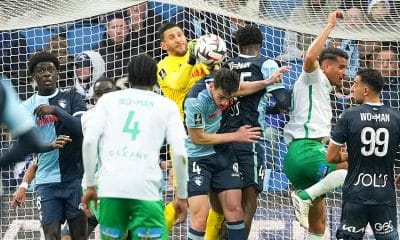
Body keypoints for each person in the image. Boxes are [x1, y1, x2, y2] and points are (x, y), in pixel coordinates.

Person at [82, 54, 188, 239]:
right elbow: (179, 152)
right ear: (155, 77)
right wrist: (182, 194)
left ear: (128, 78)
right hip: (146, 189)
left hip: (110, 188)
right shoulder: (167, 105)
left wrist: (90, 184)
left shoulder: (107, 101)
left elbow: (89, 141)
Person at [185, 64, 288, 240]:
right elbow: (198, 138)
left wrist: (268, 81)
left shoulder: (224, 86)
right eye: (221, 97)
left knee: (235, 211)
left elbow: (243, 88)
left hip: (223, 154)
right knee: (200, 219)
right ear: (212, 87)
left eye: (229, 98)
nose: (225, 103)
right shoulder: (196, 100)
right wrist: (236, 135)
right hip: (199, 157)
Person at [213, 24, 291, 238]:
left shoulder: (225, 64)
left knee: (227, 205)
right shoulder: (266, 63)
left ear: (237, 44)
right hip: (250, 139)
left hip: (223, 138)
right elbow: (283, 101)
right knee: (248, 202)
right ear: (261, 43)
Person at [283, 10, 349, 240]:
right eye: (341, 67)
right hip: (307, 149)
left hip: (301, 154)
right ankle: (304, 196)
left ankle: (308, 195)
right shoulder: (315, 77)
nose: (344, 73)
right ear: (326, 66)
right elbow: (310, 59)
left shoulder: (322, 88)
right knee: (354, 166)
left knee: (318, 224)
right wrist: (330, 26)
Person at [7, 51, 87, 240]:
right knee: (51, 236)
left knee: (80, 237)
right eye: (41, 70)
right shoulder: (26, 108)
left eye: (51, 70)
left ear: (57, 74)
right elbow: (25, 146)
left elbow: (80, 128)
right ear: (33, 76)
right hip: (46, 183)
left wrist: (56, 110)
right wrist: (49, 145)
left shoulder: (72, 98)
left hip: (74, 180)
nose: (47, 74)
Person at [326, 68, 400, 239]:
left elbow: (330, 157)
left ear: (366, 90)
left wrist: (347, 156)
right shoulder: (396, 116)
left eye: (355, 84)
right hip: (384, 194)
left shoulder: (349, 116)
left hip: (356, 194)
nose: (352, 88)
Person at [0, 76, 70, 168]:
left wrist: (51, 145)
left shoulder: (4, 89)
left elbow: (31, 143)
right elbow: (30, 143)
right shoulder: (4, 87)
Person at [95, 11, 143, 81]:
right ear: (107, 30)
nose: (118, 31)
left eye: (122, 27)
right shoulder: (98, 51)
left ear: (128, 29)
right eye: (114, 27)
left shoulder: (138, 49)